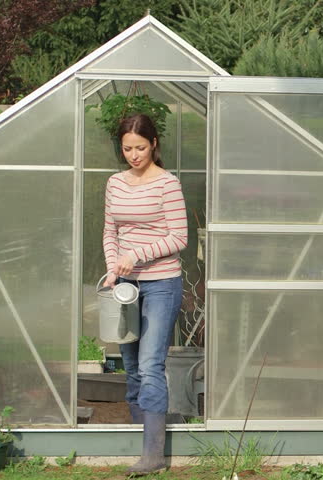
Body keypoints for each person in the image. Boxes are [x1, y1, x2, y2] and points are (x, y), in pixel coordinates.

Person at [102, 113, 187, 476]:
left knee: (151, 363)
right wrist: (113, 269)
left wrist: (135, 256)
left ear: (154, 144)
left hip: (161, 283)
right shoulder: (115, 183)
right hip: (125, 287)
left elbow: (179, 238)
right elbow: (110, 232)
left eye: (140, 147)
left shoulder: (168, 184)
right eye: (127, 149)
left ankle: (153, 455)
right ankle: (140, 434)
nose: (133, 155)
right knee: (132, 364)